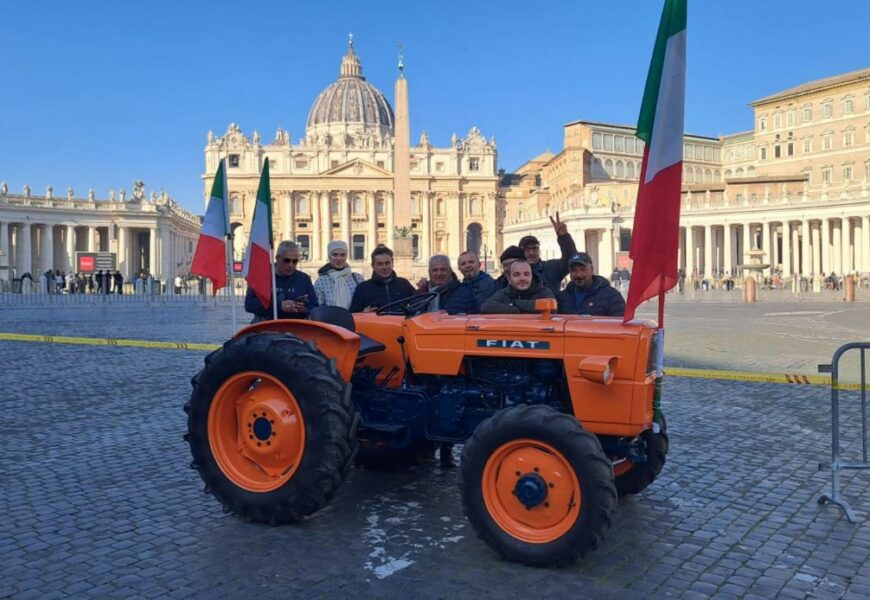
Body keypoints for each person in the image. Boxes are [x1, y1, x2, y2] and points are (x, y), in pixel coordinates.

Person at [244, 240, 318, 322]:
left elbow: (315, 307)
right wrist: (279, 306)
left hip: (296, 328)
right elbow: (249, 305)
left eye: (295, 261)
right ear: (277, 258)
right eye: (287, 260)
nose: (291, 265)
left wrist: (304, 309)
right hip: (267, 327)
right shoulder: (261, 276)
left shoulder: (304, 279)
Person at [518, 212, 578, 293]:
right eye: (526, 249)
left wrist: (564, 237)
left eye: (534, 248)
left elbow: (571, 260)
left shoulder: (551, 268)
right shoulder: (514, 273)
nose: (531, 253)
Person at [349, 245, 415, 313]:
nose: (384, 267)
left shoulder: (403, 284)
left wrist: (424, 287)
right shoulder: (363, 288)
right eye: (380, 264)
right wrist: (363, 313)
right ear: (373, 266)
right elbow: (353, 315)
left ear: (392, 264)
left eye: (387, 263)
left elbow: (419, 303)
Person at [556, 253, 625, 316]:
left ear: (592, 269)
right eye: (574, 270)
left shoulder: (611, 296)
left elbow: (619, 324)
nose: (578, 275)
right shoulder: (562, 298)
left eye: (583, 269)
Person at [480, 260, 555, 314]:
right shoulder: (504, 293)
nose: (522, 278)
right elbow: (486, 307)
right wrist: (515, 310)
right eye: (517, 274)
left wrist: (515, 303)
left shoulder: (544, 292)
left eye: (526, 274)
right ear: (509, 279)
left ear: (532, 276)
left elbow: (551, 308)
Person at [314, 240, 364, 309]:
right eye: (335, 255)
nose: (339, 258)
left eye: (342, 255)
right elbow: (318, 306)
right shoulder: (321, 281)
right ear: (329, 256)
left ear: (346, 256)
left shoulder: (358, 278)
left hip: (354, 318)